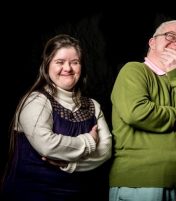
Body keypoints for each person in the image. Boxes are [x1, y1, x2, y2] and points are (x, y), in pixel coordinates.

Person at [109, 20, 176, 201]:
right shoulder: (134, 70)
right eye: (170, 36)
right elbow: (137, 112)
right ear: (152, 42)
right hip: (140, 182)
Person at [1, 34, 112, 201]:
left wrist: (70, 164)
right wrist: (88, 141)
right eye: (59, 62)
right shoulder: (36, 101)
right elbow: (47, 145)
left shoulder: (93, 106)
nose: (67, 68)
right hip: (31, 195)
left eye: (74, 62)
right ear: (47, 66)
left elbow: (105, 151)